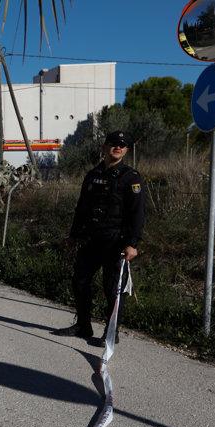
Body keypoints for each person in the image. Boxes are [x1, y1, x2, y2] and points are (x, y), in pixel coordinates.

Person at [53, 131, 146, 346]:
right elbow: (82, 208)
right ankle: (83, 325)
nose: (118, 147)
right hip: (92, 239)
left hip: (116, 242)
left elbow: (138, 213)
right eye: (114, 143)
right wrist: (74, 235)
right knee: (80, 281)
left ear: (126, 150)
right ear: (104, 147)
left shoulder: (131, 177)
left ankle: (111, 332)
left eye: (123, 145)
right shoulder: (92, 175)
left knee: (112, 288)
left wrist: (133, 243)